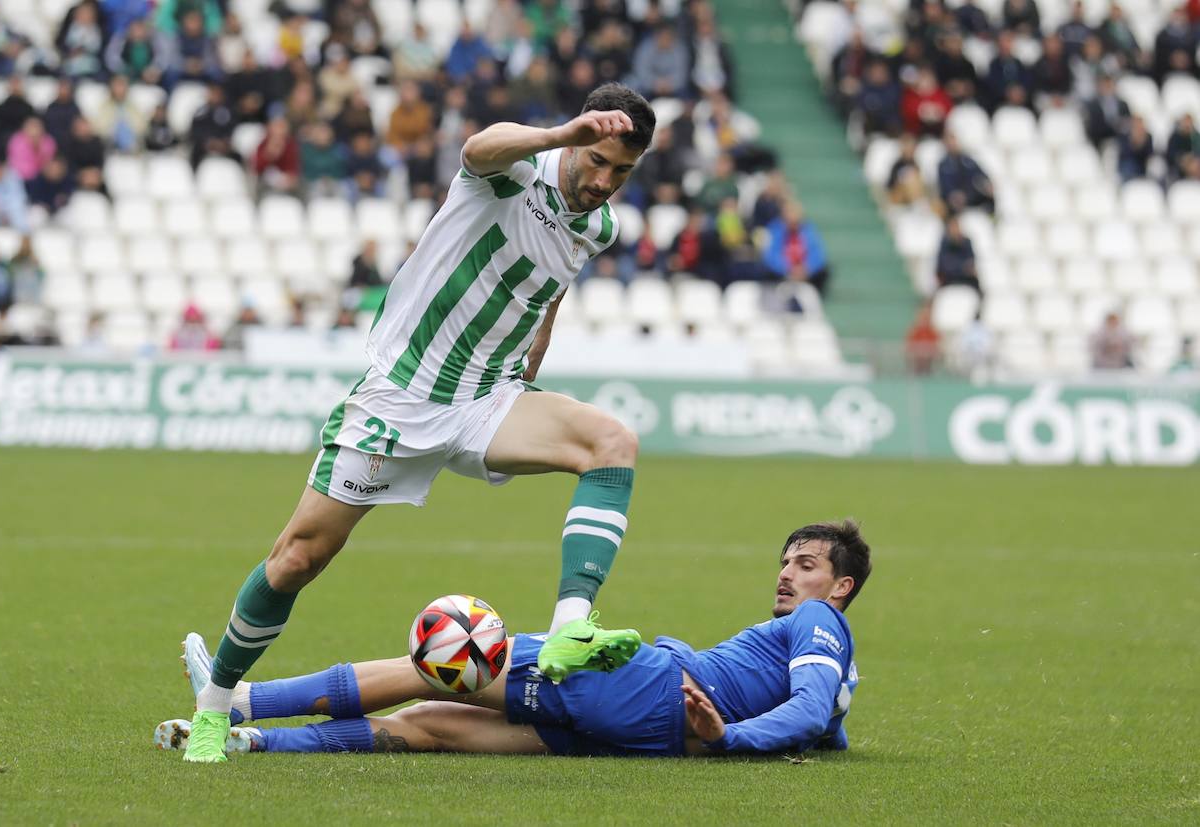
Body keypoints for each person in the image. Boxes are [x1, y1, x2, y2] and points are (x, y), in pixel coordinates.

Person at [179, 84, 657, 763]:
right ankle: (215, 703)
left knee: (612, 442)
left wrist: (530, 362)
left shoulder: (599, 224)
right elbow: (476, 147)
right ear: (579, 141)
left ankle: (568, 628)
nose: (604, 181)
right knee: (297, 558)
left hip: (485, 400)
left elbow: (549, 289)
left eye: (622, 172)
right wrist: (562, 134)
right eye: (598, 161)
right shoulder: (514, 171)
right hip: (400, 400)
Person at [157, 520, 870, 759]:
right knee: (436, 727)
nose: (786, 575)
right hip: (644, 737)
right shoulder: (837, 661)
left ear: (840, 587)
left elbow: (804, 712)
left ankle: (242, 700)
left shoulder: (817, 622)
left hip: (642, 686)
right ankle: (255, 745)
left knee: (442, 657)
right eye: (784, 561)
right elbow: (822, 723)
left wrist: (728, 737)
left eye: (805, 566)